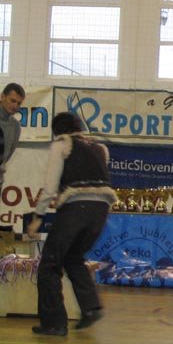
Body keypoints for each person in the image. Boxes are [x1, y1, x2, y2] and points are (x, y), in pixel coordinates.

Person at [27, 112, 117, 336]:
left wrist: (38, 217)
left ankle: (54, 323)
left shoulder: (62, 145)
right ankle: (91, 307)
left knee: (49, 265)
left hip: (76, 207)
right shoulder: (99, 148)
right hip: (101, 210)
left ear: (57, 130)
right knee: (73, 258)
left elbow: (50, 187)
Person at [0, 83, 25, 188]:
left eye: (19, 103)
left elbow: (6, 156)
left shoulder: (16, 127)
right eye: (12, 101)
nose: (15, 106)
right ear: (2, 96)